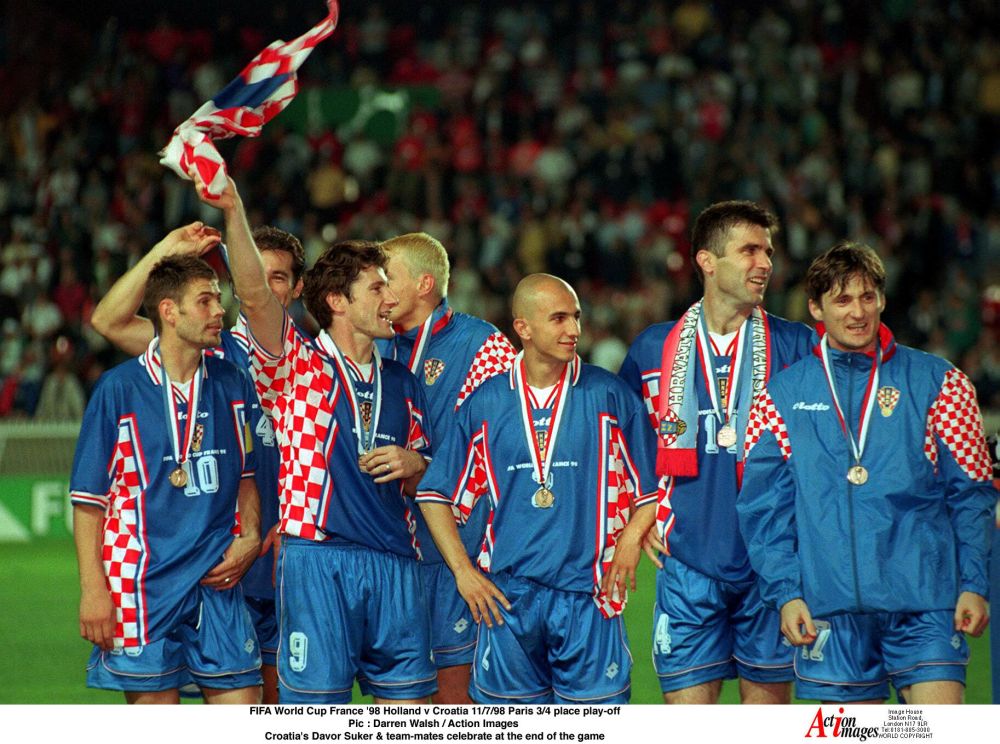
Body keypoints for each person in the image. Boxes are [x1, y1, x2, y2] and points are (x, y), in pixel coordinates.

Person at [204, 176, 436, 704]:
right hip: (317, 561)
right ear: (337, 300)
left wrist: (414, 464)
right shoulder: (296, 364)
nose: (391, 299)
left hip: (398, 562)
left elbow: (429, 470)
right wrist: (233, 207)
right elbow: (256, 295)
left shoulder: (403, 381)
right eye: (377, 288)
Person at [737, 241, 994, 704]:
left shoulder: (941, 383)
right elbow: (764, 510)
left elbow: (971, 494)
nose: (857, 312)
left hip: (925, 603)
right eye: (841, 300)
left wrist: (975, 583)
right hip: (828, 610)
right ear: (816, 307)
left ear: (881, 299)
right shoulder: (781, 396)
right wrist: (786, 594)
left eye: (867, 297)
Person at [90, 219, 306, 704]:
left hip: (280, 553)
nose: (263, 288)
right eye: (256, 273)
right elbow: (109, 321)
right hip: (215, 556)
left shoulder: (301, 354)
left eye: (277, 278)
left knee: (275, 707)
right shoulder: (211, 350)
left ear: (297, 288)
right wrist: (165, 250)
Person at [416, 274, 659, 704]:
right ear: (523, 328)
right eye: (560, 318)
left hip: (589, 598)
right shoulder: (486, 403)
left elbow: (652, 490)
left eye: (577, 317)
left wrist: (629, 541)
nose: (575, 330)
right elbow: (436, 496)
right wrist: (463, 572)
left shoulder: (608, 395)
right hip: (508, 602)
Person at [618, 200, 812, 704]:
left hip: (773, 568)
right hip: (687, 564)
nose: (765, 262)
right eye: (749, 250)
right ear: (707, 260)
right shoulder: (651, 349)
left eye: (768, 251)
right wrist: (637, 518)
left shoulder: (798, 347)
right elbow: (618, 445)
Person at [71, 254, 263, 704]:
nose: (220, 310)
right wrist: (92, 588)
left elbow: (247, 475)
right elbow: (88, 501)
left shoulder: (232, 381)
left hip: (218, 579)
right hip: (141, 584)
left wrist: (251, 532)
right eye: (205, 301)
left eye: (218, 298)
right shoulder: (117, 389)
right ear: (169, 312)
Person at [376, 232, 517, 704]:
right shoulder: (378, 347)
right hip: (392, 552)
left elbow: (504, 452)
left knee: (454, 699)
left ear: (424, 284)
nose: (379, 288)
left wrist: (426, 466)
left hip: (459, 550)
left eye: (387, 277)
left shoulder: (483, 345)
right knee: (395, 699)